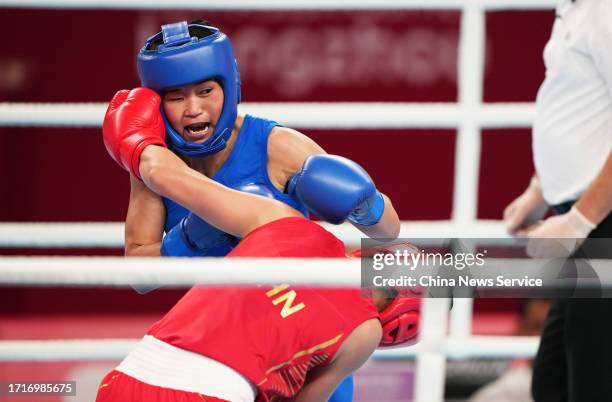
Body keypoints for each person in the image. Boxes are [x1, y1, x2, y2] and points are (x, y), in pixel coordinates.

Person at [112, 20, 401, 401]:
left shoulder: (277, 146)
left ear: (228, 88)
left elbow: (388, 231)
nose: (193, 109)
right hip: (225, 354)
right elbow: (139, 273)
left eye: (205, 91)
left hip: (307, 352)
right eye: (176, 97)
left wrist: (366, 204)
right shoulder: (158, 165)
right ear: (157, 102)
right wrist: (188, 240)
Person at [502, 1, 612, 400]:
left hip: (602, 222)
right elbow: (582, 112)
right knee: (554, 381)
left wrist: (579, 222)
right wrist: (540, 188)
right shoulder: (574, 8)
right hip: (589, 223)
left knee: (593, 381)